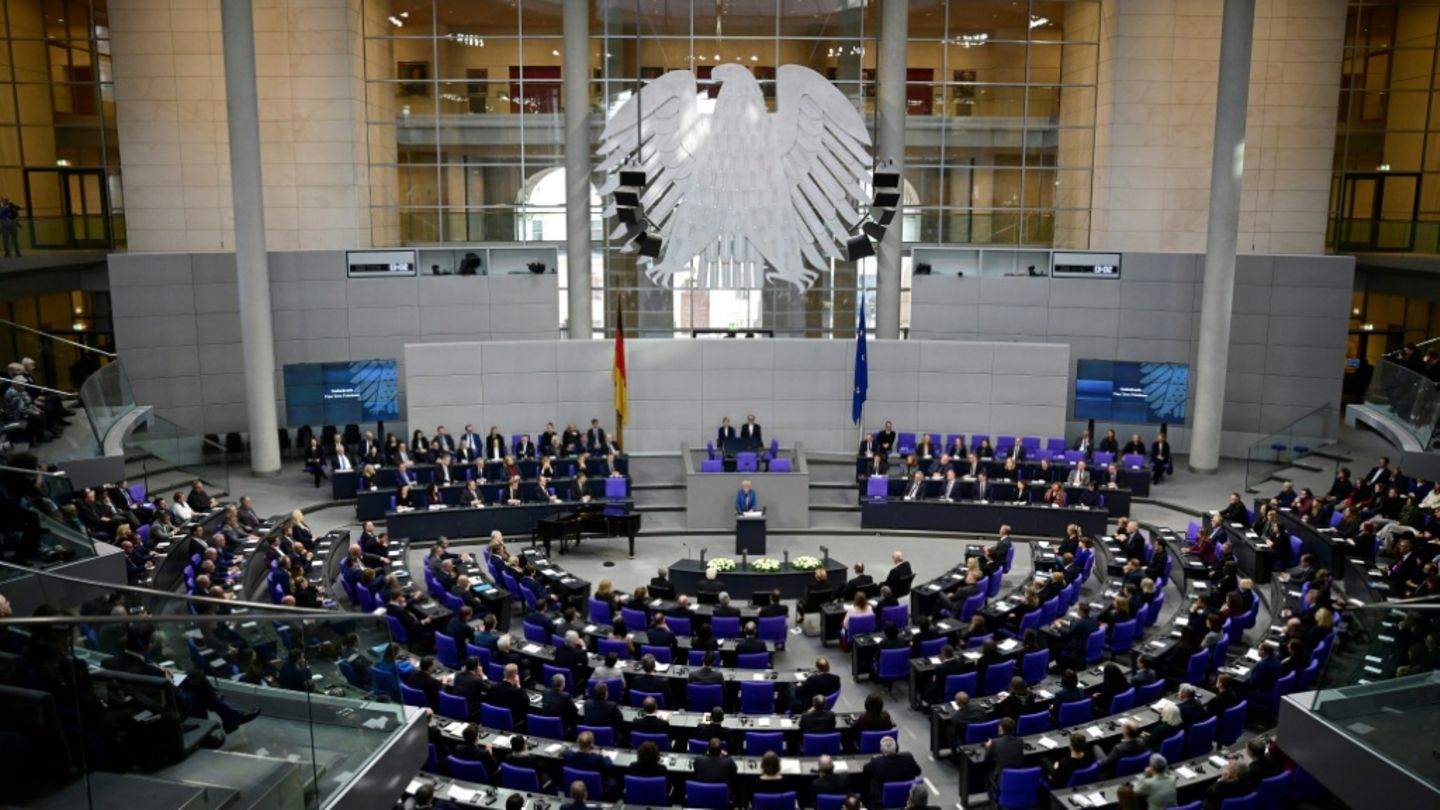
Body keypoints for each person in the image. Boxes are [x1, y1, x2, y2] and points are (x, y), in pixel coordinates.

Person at [864, 735, 921, 807]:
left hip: (882, 801)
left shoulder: (876, 762)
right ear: (896, 748)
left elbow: (865, 770)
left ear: (881, 750)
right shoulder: (908, 756)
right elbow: (918, 771)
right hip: (907, 798)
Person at [980, 717, 1025, 791]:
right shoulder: (1020, 741)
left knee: (987, 773)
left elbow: (986, 760)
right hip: (1019, 777)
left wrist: (988, 747)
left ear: (1001, 728)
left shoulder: (995, 742)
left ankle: (992, 797)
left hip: (1002, 780)